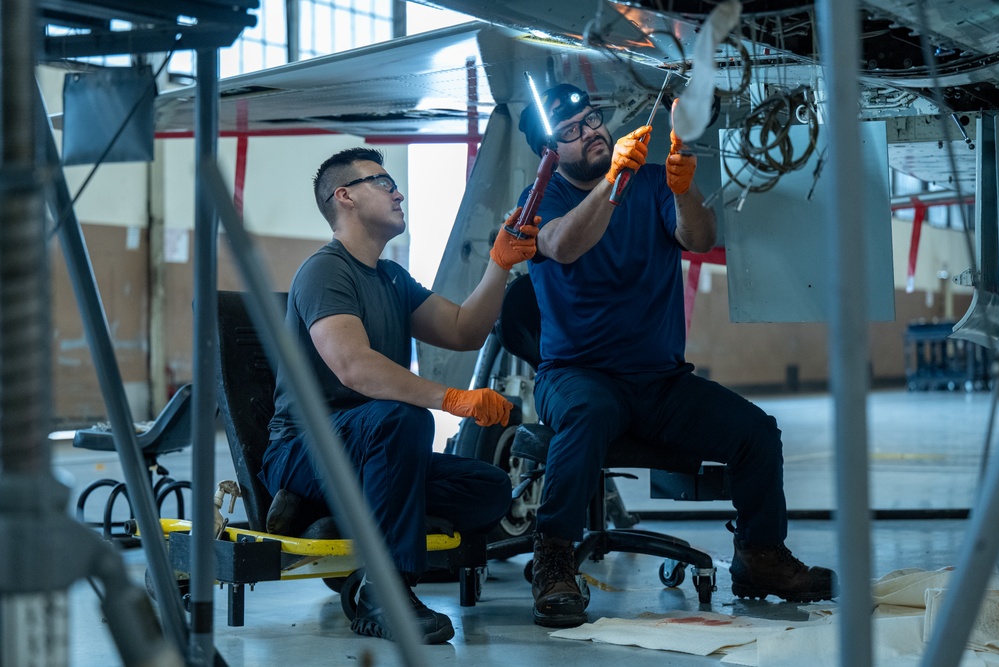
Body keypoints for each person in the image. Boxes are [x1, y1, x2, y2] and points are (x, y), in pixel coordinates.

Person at [516, 84, 837, 628]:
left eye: (593, 119)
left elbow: (698, 236)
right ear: (549, 153)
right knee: (588, 412)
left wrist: (682, 186)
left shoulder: (649, 182)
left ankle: (760, 556)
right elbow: (565, 245)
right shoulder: (541, 198)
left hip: (660, 379)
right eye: (570, 131)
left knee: (757, 433)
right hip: (576, 374)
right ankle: (553, 556)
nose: (591, 131)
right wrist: (614, 182)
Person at [258, 147, 539, 644]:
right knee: (404, 419)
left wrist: (499, 265)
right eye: (383, 183)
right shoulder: (326, 271)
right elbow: (354, 367)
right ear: (344, 197)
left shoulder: (391, 278)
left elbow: (463, 329)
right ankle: (382, 590)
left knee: (489, 489)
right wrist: (451, 399)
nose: (398, 192)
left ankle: (333, 514)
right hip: (305, 448)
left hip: (374, 451)